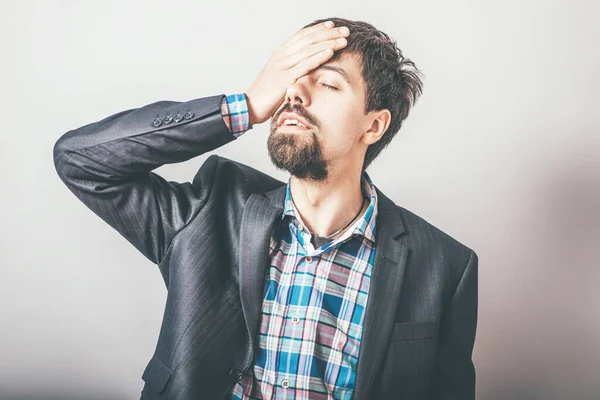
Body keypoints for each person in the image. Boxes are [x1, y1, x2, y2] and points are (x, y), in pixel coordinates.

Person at [53, 17, 478, 400]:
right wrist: (246, 106)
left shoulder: (444, 266)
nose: (294, 92)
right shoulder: (210, 211)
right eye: (292, 78)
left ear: (374, 125)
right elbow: (79, 160)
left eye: (328, 84)